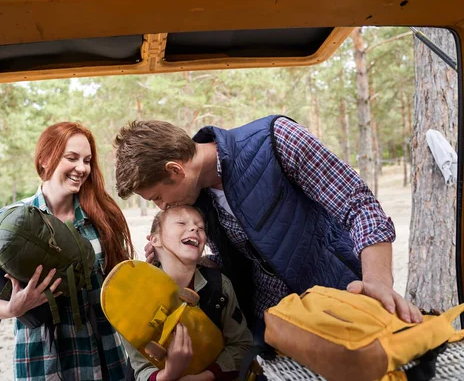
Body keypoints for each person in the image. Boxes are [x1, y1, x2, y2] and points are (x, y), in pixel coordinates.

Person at [113, 115, 423, 347]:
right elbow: (245, 260)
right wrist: (176, 262)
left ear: (174, 170)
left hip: (344, 310)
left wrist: (378, 282)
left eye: (156, 197)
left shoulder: (276, 140)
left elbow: (359, 207)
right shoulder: (197, 201)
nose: (161, 207)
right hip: (272, 332)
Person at [0, 122, 134, 380]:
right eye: (72, 158)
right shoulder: (9, 221)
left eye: (87, 160)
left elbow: (123, 283)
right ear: (44, 160)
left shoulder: (101, 217)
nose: (82, 168)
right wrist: (12, 308)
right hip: (43, 364)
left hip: (107, 357)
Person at [123, 205, 253, 381]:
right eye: (181, 223)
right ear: (155, 239)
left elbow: (241, 345)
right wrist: (170, 373)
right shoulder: (135, 296)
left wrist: (205, 377)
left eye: (201, 228)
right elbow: (141, 368)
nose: (194, 228)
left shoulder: (220, 286)